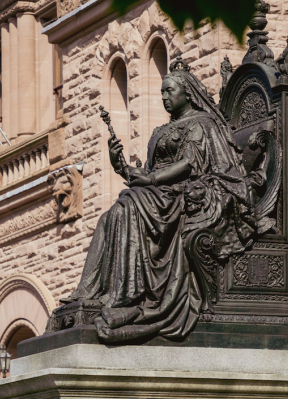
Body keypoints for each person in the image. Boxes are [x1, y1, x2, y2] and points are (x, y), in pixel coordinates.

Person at [64, 56, 256, 342]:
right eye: (162, 92)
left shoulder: (201, 124)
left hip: (186, 193)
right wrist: (121, 166)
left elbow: (189, 164)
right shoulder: (161, 131)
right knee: (111, 215)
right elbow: (150, 173)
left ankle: (129, 294)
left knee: (130, 204)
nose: (165, 97)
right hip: (159, 193)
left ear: (187, 92)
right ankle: (91, 292)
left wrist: (150, 180)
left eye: (170, 91)